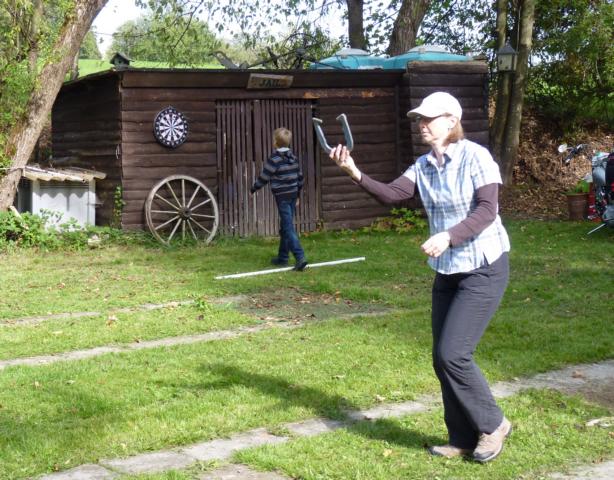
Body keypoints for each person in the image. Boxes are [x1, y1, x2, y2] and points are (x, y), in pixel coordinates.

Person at [329, 91, 511, 463]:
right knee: (441, 358)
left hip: (483, 266)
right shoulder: (424, 165)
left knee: (453, 354)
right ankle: (462, 438)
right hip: (447, 270)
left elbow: (487, 211)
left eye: (429, 118)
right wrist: (354, 172)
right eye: (419, 119)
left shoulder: (476, 156)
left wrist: (448, 236)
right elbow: (392, 194)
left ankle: (493, 424)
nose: (421, 124)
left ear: (451, 121)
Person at [251, 127, 308, 271]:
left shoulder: (274, 160)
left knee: (288, 228)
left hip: (282, 197)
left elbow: (264, 177)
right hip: (293, 195)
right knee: (285, 226)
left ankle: (300, 257)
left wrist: (254, 188)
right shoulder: (294, 158)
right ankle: (283, 258)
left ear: (275, 142)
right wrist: (298, 195)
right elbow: (300, 178)